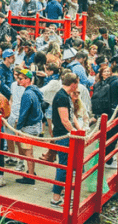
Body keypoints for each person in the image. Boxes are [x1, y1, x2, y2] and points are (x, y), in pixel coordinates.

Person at [50, 73, 82, 207]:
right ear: (73, 84)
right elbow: (65, 120)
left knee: (69, 166)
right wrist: (75, 133)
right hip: (63, 136)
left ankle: (64, 192)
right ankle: (56, 198)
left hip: (67, 135)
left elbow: (70, 116)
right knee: (63, 167)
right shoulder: (62, 97)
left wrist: (79, 130)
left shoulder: (66, 96)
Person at [13, 69, 44, 184]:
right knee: (28, 151)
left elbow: (23, 113)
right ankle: (31, 172)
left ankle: (30, 175)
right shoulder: (35, 90)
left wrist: (18, 128)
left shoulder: (27, 94)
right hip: (36, 124)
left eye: (21, 78)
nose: (18, 80)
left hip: (29, 126)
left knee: (28, 152)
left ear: (27, 80)